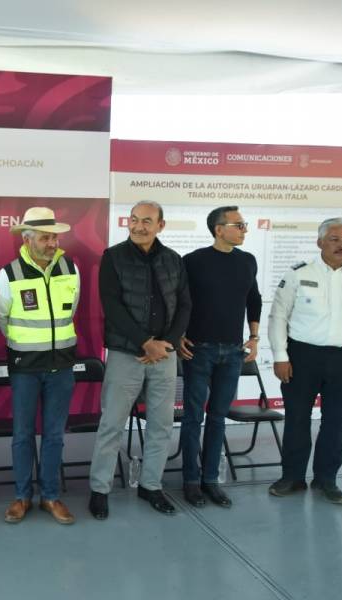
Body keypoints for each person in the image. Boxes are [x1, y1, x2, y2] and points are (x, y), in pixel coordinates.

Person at [267, 217, 342, 504]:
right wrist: (280, 356)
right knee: (297, 419)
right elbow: (278, 316)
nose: (341, 245)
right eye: (334, 239)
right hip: (302, 357)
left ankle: (327, 480)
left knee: (336, 423)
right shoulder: (299, 273)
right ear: (320, 242)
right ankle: (292, 478)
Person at [88, 201, 191, 519]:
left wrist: (166, 345)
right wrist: (145, 343)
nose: (138, 226)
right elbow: (112, 305)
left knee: (161, 425)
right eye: (134, 220)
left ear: (161, 225)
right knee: (112, 424)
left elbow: (185, 305)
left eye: (147, 221)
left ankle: (151, 486)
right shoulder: (114, 257)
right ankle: (100, 489)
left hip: (165, 356)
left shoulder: (173, 260)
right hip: (125, 354)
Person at [0, 206, 80, 525]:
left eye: (54, 237)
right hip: (26, 366)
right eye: (45, 237)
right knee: (23, 434)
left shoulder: (70, 268)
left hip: (62, 366)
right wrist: (26, 343)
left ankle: (51, 496)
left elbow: (72, 310)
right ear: (27, 239)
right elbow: (2, 316)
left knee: (55, 434)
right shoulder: (10, 273)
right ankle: (22, 496)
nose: (52, 243)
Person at [177, 206, 262, 509]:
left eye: (244, 224)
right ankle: (190, 481)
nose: (244, 229)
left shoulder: (247, 261)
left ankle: (210, 480)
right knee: (192, 418)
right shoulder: (194, 261)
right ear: (218, 229)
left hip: (233, 352)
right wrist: (178, 334)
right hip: (199, 350)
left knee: (217, 418)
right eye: (239, 224)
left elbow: (253, 299)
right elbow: (180, 300)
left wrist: (253, 337)